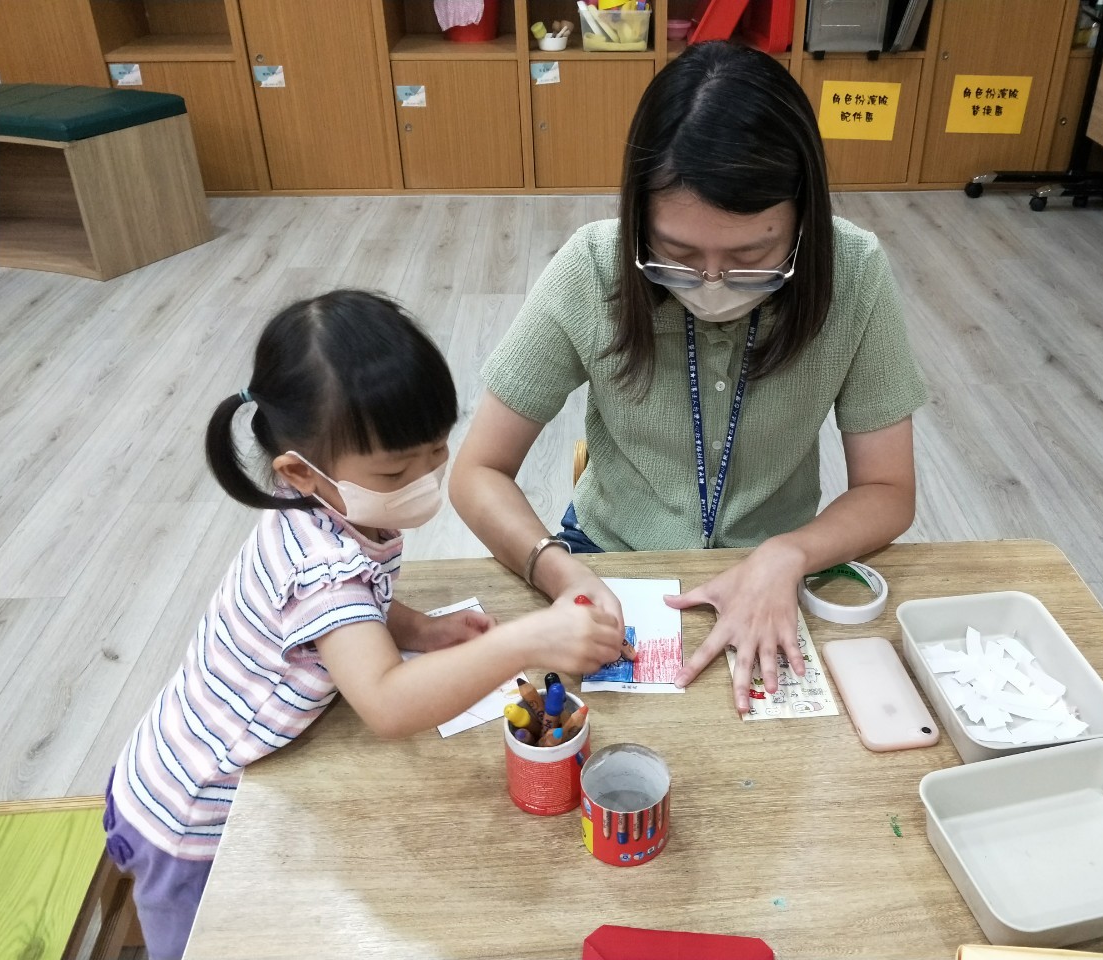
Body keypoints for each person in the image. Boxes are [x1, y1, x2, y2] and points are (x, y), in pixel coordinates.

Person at [103, 290, 626, 959]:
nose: (427, 478)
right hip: (192, 821)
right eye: (396, 470)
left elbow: (361, 609)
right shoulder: (319, 565)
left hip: (196, 771)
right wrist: (520, 641)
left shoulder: (340, 510)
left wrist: (422, 631)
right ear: (301, 472)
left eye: (436, 451)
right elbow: (383, 700)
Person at [450, 41, 927, 716]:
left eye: (750, 256)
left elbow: (888, 490)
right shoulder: (593, 270)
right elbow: (477, 472)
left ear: (802, 221)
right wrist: (563, 573)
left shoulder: (853, 273)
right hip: (605, 559)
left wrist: (788, 555)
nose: (710, 283)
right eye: (675, 253)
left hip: (777, 566)